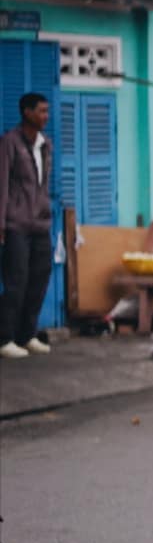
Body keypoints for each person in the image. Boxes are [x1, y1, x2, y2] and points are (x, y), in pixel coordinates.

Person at [0, 92, 55, 359]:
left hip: (40, 225)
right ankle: (5, 338)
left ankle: (27, 335)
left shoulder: (46, 145)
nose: (46, 116)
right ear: (26, 112)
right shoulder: (10, 142)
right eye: (41, 111)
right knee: (16, 282)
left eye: (47, 111)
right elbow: (2, 185)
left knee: (39, 280)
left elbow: (43, 186)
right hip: (16, 224)